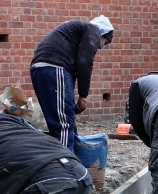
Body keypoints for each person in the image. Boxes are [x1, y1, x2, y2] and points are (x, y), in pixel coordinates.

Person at [30, 15, 114, 152]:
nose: (102, 48)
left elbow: (73, 71)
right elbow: (85, 62)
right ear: (103, 34)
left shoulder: (76, 33)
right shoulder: (93, 30)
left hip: (40, 70)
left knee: (58, 119)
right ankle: (66, 166)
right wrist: (83, 96)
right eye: (106, 42)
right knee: (63, 125)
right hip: (53, 68)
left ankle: (60, 160)